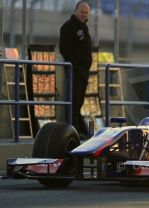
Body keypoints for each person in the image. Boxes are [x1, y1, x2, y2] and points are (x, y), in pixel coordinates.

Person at [59, 1, 92, 139]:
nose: (84, 15)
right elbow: (64, 49)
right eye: (82, 12)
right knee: (73, 101)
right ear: (75, 11)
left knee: (79, 102)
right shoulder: (68, 27)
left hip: (84, 72)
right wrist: (75, 65)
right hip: (75, 72)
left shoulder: (84, 28)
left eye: (86, 13)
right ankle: (73, 130)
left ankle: (78, 129)